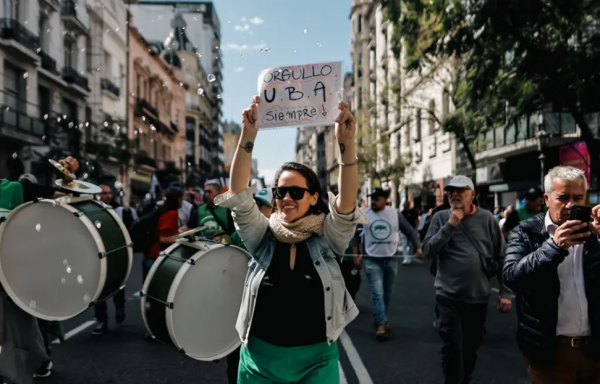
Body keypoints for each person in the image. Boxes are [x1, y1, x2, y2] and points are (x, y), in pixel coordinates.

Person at [214, 96, 365, 384]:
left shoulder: (329, 237)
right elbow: (239, 194)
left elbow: (346, 205)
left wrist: (346, 146)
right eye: (280, 192)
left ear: (313, 197)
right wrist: (248, 135)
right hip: (259, 360)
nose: (286, 199)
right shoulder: (262, 234)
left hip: (316, 360)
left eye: (296, 192)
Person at [503, 166, 600, 383]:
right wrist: (555, 247)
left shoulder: (595, 233)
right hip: (551, 353)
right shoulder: (525, 232)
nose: (571, 205)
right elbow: (512, 277)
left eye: (578, 197)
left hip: (595, 351)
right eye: (563, 197)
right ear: (547, 199)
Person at [423, 175, 512, 384]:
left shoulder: (487, 219)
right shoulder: (440, 218)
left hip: (478, 297)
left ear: (472, 194)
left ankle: (465, 379)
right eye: (450, 190)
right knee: (452, 347)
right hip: (448, 296)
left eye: (460, 190)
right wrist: (450, 225)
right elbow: (428, 250)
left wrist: (505, 293)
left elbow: (502, 256)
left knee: (471, 349)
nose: (454, 194)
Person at [0, 157, 78, 382]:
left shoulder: (13, 190)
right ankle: (38, 361)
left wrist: (68, 177)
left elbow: (66, 198)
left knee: (18, 337)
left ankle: (33, 364)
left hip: (11, 283)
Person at [359, 187, 423, 340]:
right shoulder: (364, 214)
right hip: (371, 259)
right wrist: (356, 254)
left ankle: (381, 317)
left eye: (376, 198)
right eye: (372, 198)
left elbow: (409, 231)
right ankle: (381, 323)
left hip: (390, 259)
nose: (373, 201)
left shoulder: (395, 214)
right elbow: (354, 233)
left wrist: (419, 247)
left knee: (387, 292)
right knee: (378, 292)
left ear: (385, 199)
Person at [225, 187, 273, 384]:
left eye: (263, 206)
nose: (258, 208)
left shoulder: (281, 235)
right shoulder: (238, 234)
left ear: (273, 209)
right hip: (241, 305)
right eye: (255, 204)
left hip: (268, 310)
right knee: (235, 361)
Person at [91, 185, 127, 336]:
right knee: (98, 289)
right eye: (104, 193)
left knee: (117, 284)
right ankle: (101, 320)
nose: (107, 196)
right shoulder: (91, 211)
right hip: (98, 255)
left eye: (109, 193)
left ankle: (120, 308)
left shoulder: (120, 211)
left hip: (117, 254)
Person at [401, 200, 419, 265]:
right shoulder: (402, 213)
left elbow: (417, 221)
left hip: (412, 231)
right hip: (403, 231)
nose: (405, 205)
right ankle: (406, 259)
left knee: (411, 245)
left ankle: (409, 258)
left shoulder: (413, 212)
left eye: (407, 204)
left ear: (409, 204)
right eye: (405, 204)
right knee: (404, 245)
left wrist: (416, 229)